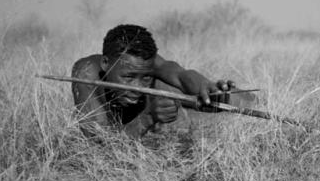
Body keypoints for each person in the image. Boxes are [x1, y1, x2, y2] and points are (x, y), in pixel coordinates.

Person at [72, 24, 238, 139]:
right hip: (144, 113)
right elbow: (100, 149)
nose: (137, 88)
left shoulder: (146, 64)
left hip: (155, 100)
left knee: (229, 101)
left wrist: (205, 85)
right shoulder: (86, 73)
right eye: (128, 78)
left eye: (145, 77)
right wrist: (148, 118)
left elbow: (181, 76)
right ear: (105, 64)